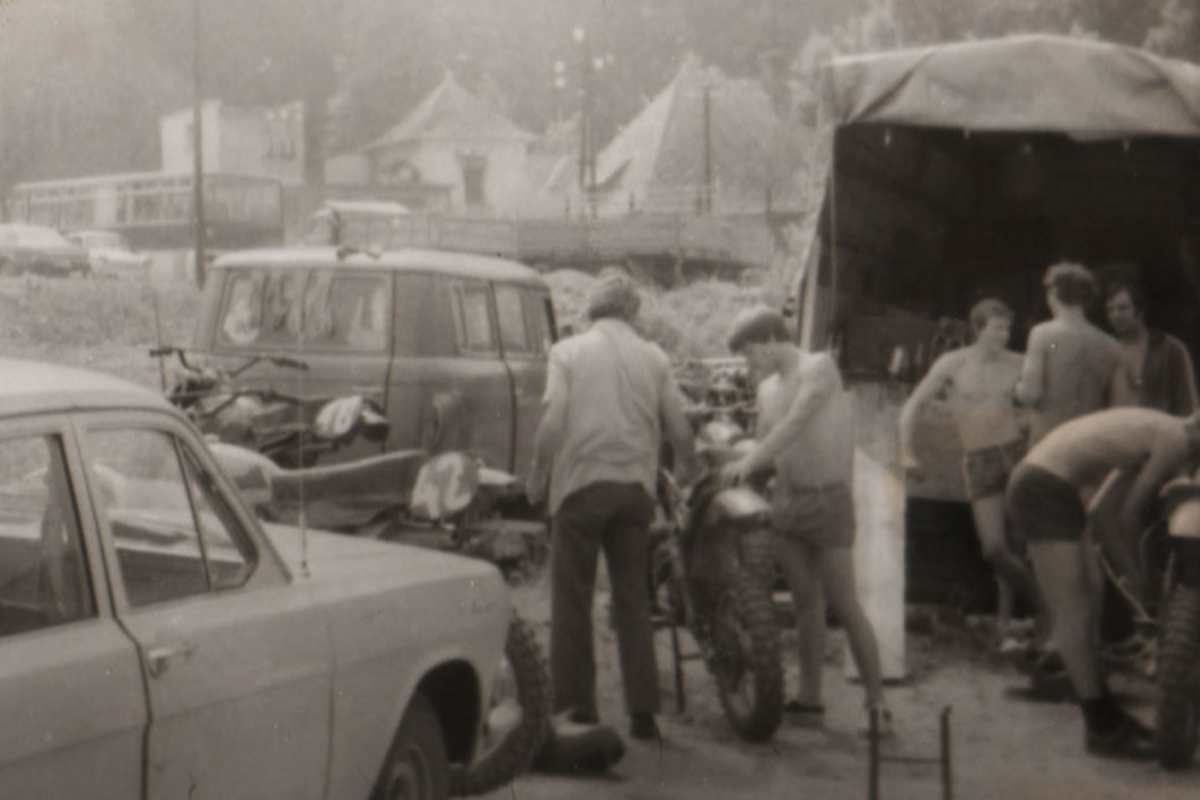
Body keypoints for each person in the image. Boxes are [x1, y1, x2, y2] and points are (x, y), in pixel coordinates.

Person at [526, 268, 696, 743]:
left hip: (580, 488)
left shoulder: (568, 352)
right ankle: (643, 714)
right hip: (634, 492)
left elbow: (553, 421)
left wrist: (537, 477)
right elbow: (681, 433)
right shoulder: (655, 356)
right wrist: (685, 477)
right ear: (633, 312)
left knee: (572, 600)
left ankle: (576, 712)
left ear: (592, 310)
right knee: (633, 602)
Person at [721, 306, 889, 732]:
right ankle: (810, 699)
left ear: (774, 337)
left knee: (845, 604)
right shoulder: (766, 389)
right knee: (805, 604)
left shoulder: (820, 367)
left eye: (751, 351)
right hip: (788, 502)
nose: (749, 362)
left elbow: (794, 425)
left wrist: (753, 458)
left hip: (827, 500)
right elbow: (761, 444)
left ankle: (877, 704)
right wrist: (728, 455)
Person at [1006, 407, 1200, 758]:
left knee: (1092, 596)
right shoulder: (1176, 440)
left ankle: (1108, 716)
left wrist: (1136, 583)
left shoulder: (1161, 430)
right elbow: (1129, 515)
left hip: (1048, 484)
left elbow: (1101, 514)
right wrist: (1145, 583)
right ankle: (1100, 727)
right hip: (1042, 488)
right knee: (1074, 612)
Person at [898, 298, 1044, 647]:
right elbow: (912, 407)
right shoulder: (953, 363)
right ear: (978, 329)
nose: (1005, 335)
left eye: (1009, 328)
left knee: (1024, 545)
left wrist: (1049, 341)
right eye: (998, 328)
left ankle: (1012, 625)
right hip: (979, 459)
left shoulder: (1020, 362)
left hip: (1017, 455)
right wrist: (906, 453)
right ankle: (1048, 608)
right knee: (994, 548)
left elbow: (1049, 362)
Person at [1015, 261, 1134, 443]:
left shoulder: (1042, 334)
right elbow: (1120, 407)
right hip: (1091, 443)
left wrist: (1015, 385)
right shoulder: (1112, 345)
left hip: (1049, 443)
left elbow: (1031, 394)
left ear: (1053, 293)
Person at [1104, 279, 1199, 417]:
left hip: (1159, 434)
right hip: (1118, 434)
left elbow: (1188, 403)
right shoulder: (1106, 351)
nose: (1115, 315)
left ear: (1140, 311)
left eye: (1122, 308)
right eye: (1110, 309)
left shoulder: (1170, 349)